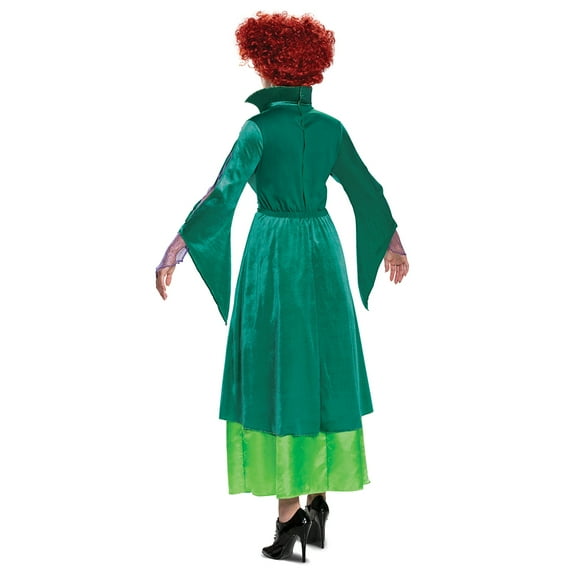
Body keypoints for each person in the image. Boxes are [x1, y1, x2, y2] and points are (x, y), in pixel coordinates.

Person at [155, 11, 409, 562]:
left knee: (279, 367)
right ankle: (319, 502)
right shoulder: (330, 128)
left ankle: (289, 518)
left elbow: (222, 194)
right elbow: (365, 188)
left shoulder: (258, 130)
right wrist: (392, 242)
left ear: (266, 65)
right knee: (321, 363)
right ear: (310, 66)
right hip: (321, 248)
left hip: (273, 250)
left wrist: (178, 246)